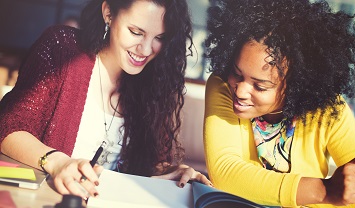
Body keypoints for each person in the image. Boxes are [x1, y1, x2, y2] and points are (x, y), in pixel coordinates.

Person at [0, 0, 211, 200]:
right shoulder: (62, 48)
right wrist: (57, 162)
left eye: (160, 38)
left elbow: (146, 163)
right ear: (108, 13)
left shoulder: (157, 81)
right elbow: (9, 126)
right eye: (136, 32)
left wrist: (172, 172)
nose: (146, 50)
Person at [203, 0, 355, 207]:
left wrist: (341, 191)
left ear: (297, 86)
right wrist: (324, 191)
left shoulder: (329, 112)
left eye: (260, 86)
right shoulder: (222, 85)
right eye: (237, 73)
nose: (240, 90)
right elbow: (226, 172)